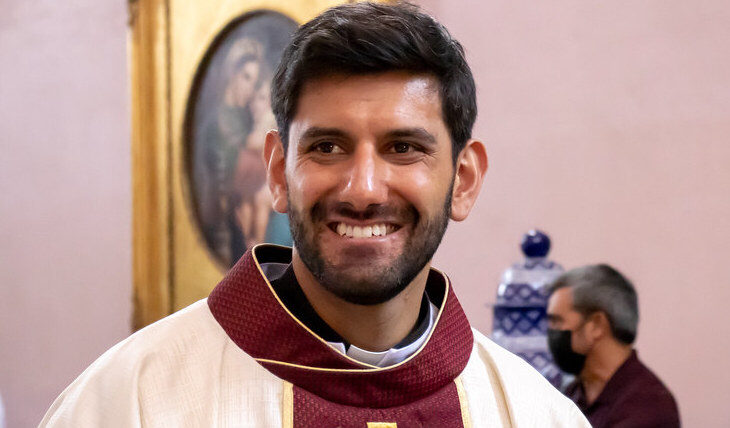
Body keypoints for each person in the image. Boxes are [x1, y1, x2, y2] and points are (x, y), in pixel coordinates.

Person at [41, 3, 589, 426]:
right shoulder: (130, 402)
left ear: (463, 180)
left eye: (403, 148)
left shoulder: (535, 414)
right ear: (278, 172)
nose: (363, 189)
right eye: (327, 147)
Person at [546, 264, 680, 427]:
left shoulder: (647, 406)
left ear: (596, 325)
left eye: (557, 321)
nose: (550, 332)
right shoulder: (572, 393)